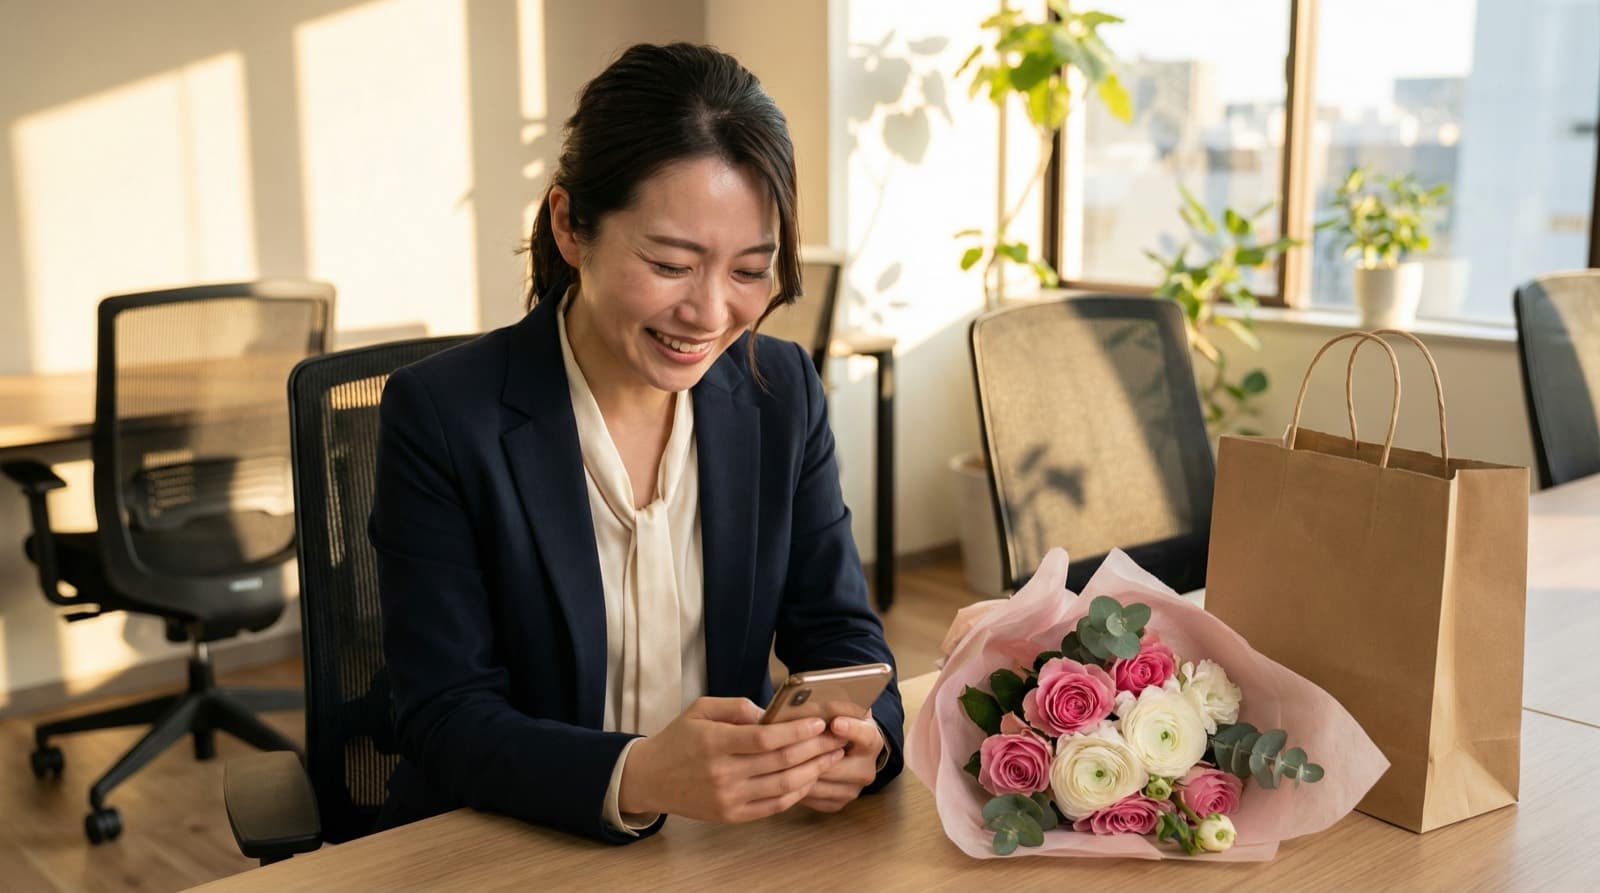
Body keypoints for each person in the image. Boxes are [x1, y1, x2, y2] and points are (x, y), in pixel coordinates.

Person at [368, 42, 903, 845]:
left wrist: (868, 738)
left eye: (749, 271)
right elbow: (444, 714)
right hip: (508, 842)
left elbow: (843, 634)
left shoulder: (779, 391)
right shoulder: (444, 414)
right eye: (671, 264)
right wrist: (638, 774)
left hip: (721, 843)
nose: (710, 313)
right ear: (569, 225)